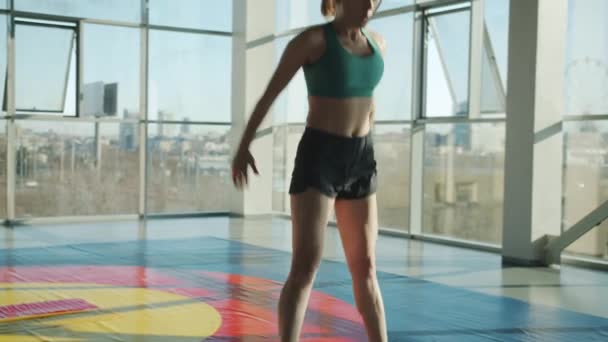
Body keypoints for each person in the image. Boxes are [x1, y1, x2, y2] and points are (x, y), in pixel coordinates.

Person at [231, 0, 387, 341]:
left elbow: (368, 99)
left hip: (361, 158)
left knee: (367, 269)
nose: (371, 5)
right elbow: (269, 95)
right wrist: (243, 146)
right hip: (320, 158)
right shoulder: (313, 41)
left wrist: (366, 140)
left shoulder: (377, 43)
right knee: (305, 267)